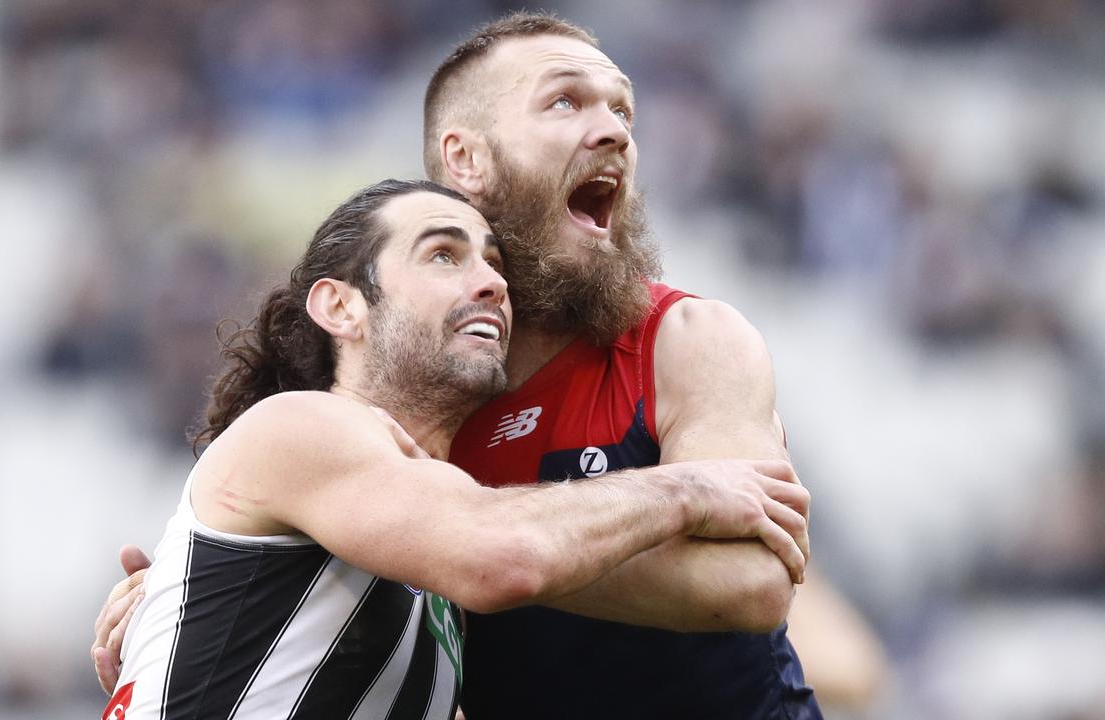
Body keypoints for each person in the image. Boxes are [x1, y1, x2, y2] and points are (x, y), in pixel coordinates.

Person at [98, 178, 810, 720]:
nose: (492, 282)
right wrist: (688, 487)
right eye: (443, 253)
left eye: (494, 262)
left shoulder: (425, 586)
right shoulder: (302, 427)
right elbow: (502, 555)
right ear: (340, 306)